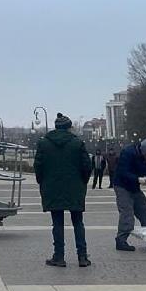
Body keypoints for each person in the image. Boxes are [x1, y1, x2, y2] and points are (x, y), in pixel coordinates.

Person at [33, 113, 92, 267]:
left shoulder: (44, 143)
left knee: (57, 223)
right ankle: (82, 257)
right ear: (69, 127)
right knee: (78, 222)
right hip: (75, 187)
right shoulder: (77, 143)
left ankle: (59, 256)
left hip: (52, 187)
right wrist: (82, 182)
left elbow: (38, 166)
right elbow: (87, 166)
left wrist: (43, 182)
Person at [113, 137, 146, 251]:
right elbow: (122, 172)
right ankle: (121, 241)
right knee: (127, 214)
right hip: (122, 186)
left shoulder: (145, 157)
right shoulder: (128, 152)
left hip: (134, 187)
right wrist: (137, 179)